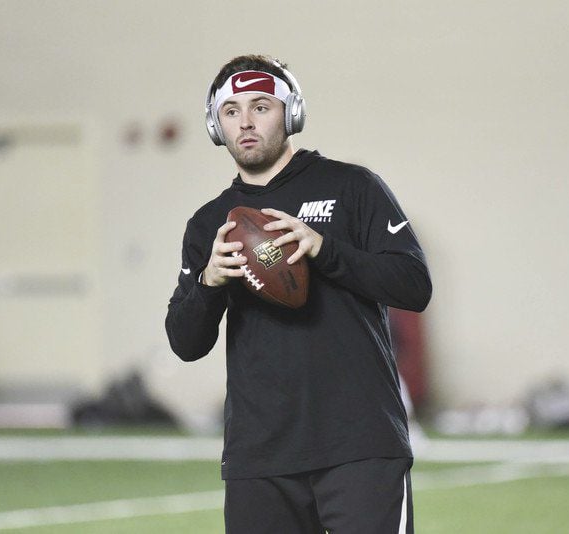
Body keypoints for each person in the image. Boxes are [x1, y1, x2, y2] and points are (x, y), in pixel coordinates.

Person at [165, 54, 431, 533]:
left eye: (261, 106)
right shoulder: (210, 223)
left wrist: (325, 251)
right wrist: (210, 283)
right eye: (231, 111)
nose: (245, 121)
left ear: (291, 114)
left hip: (360, 445)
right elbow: (185, 344)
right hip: (259, 457)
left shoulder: (353, 187)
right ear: (215, 124)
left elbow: (414, 285)